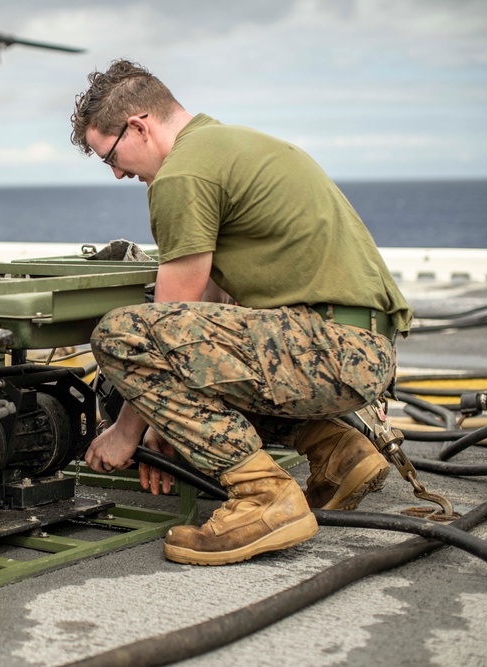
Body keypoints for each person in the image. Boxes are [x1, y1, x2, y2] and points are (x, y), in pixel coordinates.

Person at [71, 60, 411, 565]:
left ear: (139, 126)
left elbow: (161, 330)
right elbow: (201, 308)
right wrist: (167, 414)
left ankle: (264, 498)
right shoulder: (227, 145)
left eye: (111, 157)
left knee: (121, 335)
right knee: (193, 362)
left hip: (326, 348)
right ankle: (339, 453)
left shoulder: (182, 175)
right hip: (358, 350)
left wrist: (127, 432)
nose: (119, 172)